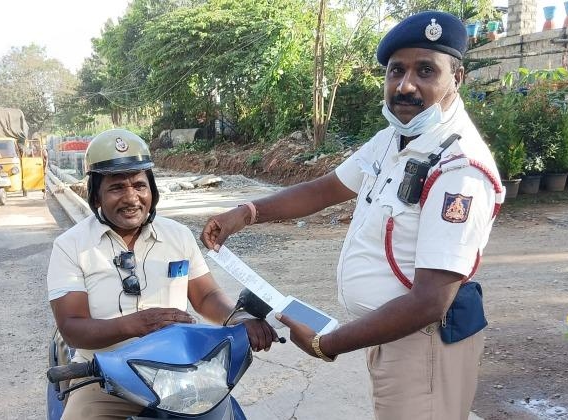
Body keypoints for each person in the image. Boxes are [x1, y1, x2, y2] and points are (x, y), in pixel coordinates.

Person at [201, 11, 503, 420]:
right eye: (396, 71)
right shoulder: (395, 139)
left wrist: (329, 343)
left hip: (424, 344)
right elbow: (326, 189)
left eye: (425, 71)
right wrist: (247, 212)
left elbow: (431, 300)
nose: (405, 85)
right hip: (390, 334)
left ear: (457, 78)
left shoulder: (459, 169)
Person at [47, 129, 278, 420]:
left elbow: (205, 295)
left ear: (152, 191)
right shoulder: (71, 246)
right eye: (116, 188)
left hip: (180, 375)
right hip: (105, 376)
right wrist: (136, 324)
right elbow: (71, 326)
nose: (131, 197)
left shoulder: (177, 235)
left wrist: (238, 318)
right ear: (96, 195)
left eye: (139, 185)